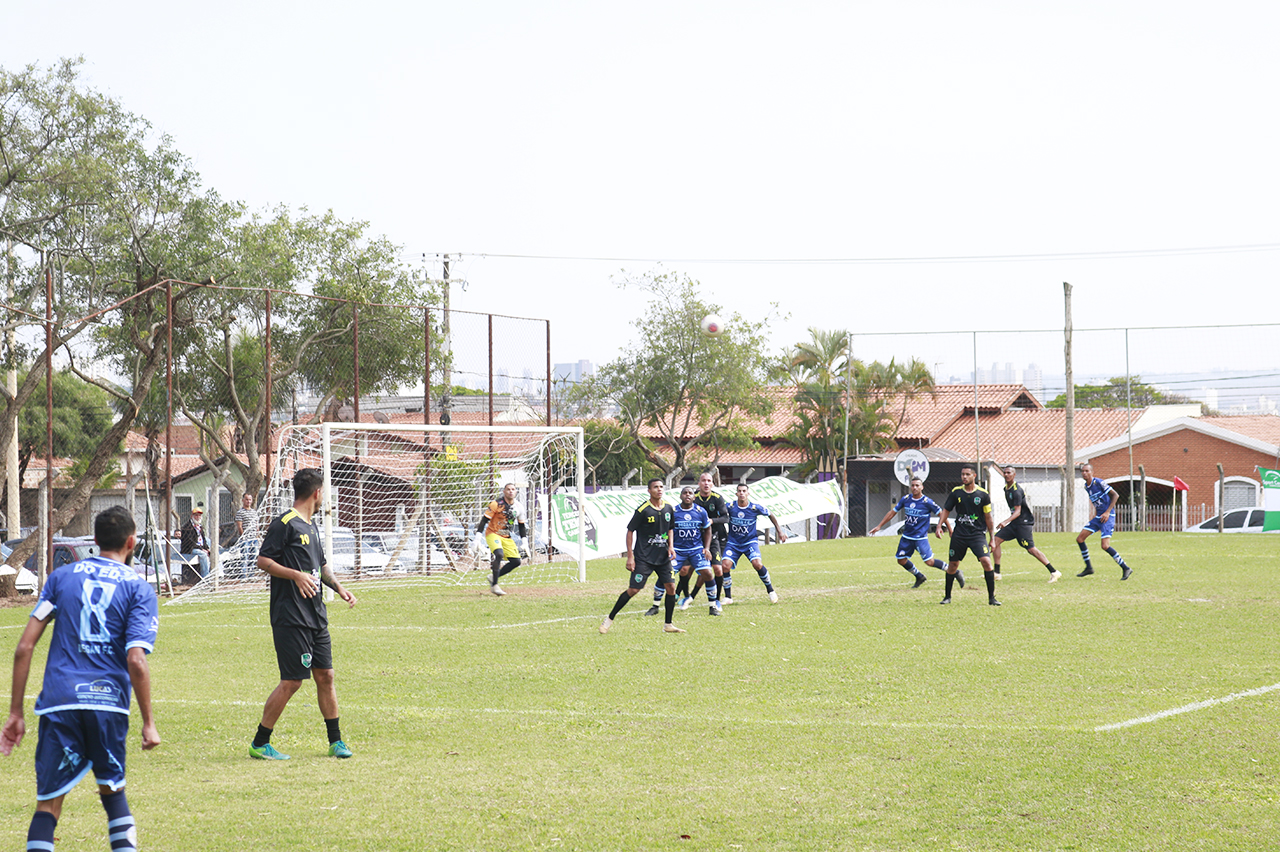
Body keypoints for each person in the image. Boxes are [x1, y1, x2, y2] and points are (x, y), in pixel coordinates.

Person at [1, 506, 160, 852]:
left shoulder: (62, 577)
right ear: (131, 542)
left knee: (48, 804)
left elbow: (24, 647)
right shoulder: (139, 589)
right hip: (108, 705)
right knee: (114, 794)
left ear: (95, 541)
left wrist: (15, 713)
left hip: (60, 702)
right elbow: (136, 659)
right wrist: (149, 722)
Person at [249, 468, 357, 760]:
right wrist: (295, 575)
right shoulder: (285, 523)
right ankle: (260, 743)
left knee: (326, 675)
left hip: (315, 614)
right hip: (291, 615)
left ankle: (335, 742)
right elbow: (262, 560)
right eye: (325, 493)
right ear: (317, 493)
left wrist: (339, 587)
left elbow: (320, 568)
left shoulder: (312, 526)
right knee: (292, 681)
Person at [599, 479, 684, 634]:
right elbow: (630, 531)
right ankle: (609, 619)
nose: (659, 489)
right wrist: (630, 556)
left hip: (663, 557)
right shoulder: (643, 510)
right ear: (649, 491)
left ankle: (668, 624)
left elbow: (670, 528)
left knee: (671, 587)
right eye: (655, 487)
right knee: (634, 589)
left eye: (661, 487)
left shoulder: (668, 508)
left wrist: (671, 546)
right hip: (644, 557)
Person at [868, 475, 959, 589]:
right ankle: (919, 576)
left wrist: (950, 530)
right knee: (901, 560)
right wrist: (879, 526)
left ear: (922, 487)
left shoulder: (927, 502)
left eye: (917, 485)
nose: (915, 487)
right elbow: (892, 512)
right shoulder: (906, 499)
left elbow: (943, 515)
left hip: (920, 538)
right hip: (907, 537)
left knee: (929, 562)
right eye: (913, 485)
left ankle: (954, 571)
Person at [935, 463, 999, 606]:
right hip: (959, 535)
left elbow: (988, 517)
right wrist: (939, 525)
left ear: (974, 476)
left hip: (977, 535)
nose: (964, 477)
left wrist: (992, 538)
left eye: (967, 474)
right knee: (953, 565)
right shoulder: (956, 492)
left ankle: (991, 598)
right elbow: (946, 510)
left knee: (987, 562)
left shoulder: (983, 494)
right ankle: (947, 597)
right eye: (962, 474)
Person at [992, 465, 1061, 583]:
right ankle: (996, 573)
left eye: (1009, 473)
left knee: (1031, 549)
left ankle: (1054, 572)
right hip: (1015, 523)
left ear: (1014, 475)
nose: (1006, 475)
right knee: (995, 540)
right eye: (1005, 472)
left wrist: (1005, 521)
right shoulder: (1006, 489)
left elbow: (1018, 512)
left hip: (1023, 523)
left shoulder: (1017, 491)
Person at [721, 482, 786, 605]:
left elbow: (770, 514)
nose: (741, 493)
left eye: (744, 491)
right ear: (736, 494)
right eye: (739, 491)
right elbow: (719, 514)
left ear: (748, 493)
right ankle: (728, 597)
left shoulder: (755, 508)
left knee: (757, 564)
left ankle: (771, 591)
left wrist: (780, 531)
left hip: (750, 542)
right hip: (733, 543)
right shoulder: (730, 506)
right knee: (725, 566)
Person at [1076, 463, 1133, 580]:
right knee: (1080, 539)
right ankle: (1088, 567)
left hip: (1108, 516)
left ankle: (1125, 568)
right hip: (1099, 516)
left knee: (1105, 546)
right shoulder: (1086, 486)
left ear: (1092, 472)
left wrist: (1107, 512)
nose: (1084, 473)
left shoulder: (1099, 482)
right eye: (1082, 471)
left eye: (1087, 471)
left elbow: (1115, 495)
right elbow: (1097, 502)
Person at [669, 486, 720, 616]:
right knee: (671, 574)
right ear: (680, 496)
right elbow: (666, 531)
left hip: (696, 549)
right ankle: (658, 603)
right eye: (684, 493)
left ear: (694, 496)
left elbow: (708, 528)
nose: (687, 495)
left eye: (690, 493)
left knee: (708, 572)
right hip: (678, 550)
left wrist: (706, 548)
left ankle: (713, 606)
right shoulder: (673, 511)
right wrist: (669, 547)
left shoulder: (701, 511)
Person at [477, 482, 528, 596]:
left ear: (516, 492)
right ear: (504, 492)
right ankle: (495, 585)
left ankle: (493, 576)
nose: (511, 491)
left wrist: (525, 541)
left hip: (506, 536)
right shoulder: (496, 504)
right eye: (508, 489)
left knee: (516, 561)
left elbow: (521, 525)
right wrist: (477, 538)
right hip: (493, 533)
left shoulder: (519, 507)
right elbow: (484, 520)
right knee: (499, 554)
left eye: (513, 489)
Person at [180, 503, 211, 578]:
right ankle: (205, 577)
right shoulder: (187, 527)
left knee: (213, 553)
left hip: (199, 548)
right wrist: (202, 549)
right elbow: (190, 542)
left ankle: (216, 574)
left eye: (199, 515)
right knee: (203, 555)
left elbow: (203, 539)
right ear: (192, 516)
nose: (198, 517)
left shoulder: (200, 527)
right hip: (190, 549)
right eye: (196, 515)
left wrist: (207, 548)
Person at [234, 492, 260, 579]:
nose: (248, 501)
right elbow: (240, 526)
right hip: (245, 539)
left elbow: (257, 525)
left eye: (250, 499)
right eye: (246, 499)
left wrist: (257, 535)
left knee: (253, 557)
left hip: (254, 539)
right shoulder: (240, 512)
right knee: (244, 557)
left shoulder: (254, 512)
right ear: (243, 500)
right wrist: (244, 537)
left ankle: (251, 575)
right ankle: (243, 576)